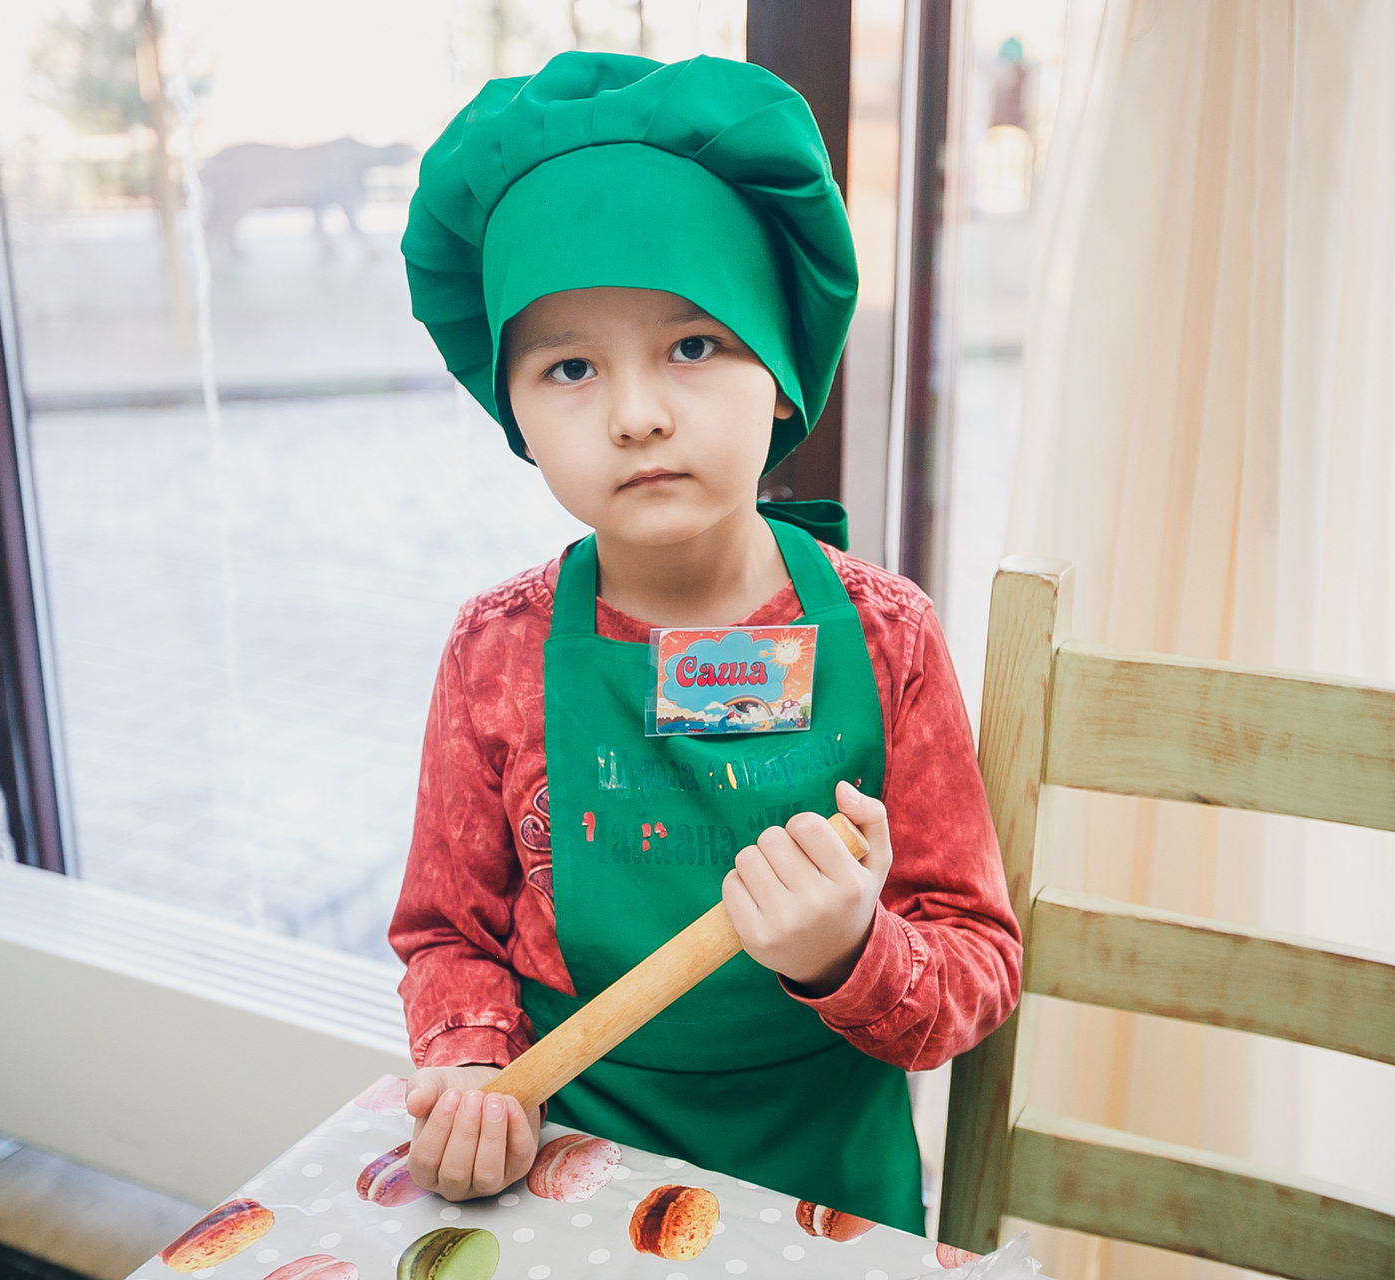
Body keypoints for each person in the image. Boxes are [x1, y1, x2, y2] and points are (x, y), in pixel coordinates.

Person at [389, 50, 1021, 1234]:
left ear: (781, 371)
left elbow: (976, 966)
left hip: (826, 1198)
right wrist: (474, 1063)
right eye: (570, 367)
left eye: (692, 346)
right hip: (570, 1179)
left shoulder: (889, 638)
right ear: (511, 407)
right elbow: (447, 934)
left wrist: (849, 949)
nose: (637, 414)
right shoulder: (494, 654)